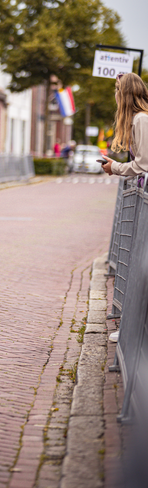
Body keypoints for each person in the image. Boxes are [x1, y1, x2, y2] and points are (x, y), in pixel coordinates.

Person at [102, 73, 148, 343]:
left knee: (138, 265)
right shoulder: (139, 120)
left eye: (118, 89)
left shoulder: (141, 120)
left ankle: (133, 333)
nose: (116, 95)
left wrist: (115, 168)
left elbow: (143, 165)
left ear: (126, 93)